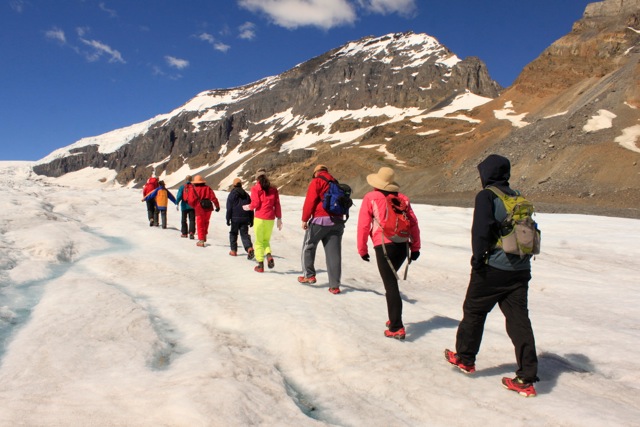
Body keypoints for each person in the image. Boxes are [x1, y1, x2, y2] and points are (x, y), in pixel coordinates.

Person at [444, 154, 539, 397]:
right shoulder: (517, 196)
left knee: (474, 311)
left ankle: (465, 358)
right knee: (519, 321)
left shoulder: (487, 195)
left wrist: (477, 259)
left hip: (493, 269)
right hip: (520, 270)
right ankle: (526, 377)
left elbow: (481, 230)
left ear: (486, 173)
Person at [357, 167, 420, 340]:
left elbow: (364, 225)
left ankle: (396, 326)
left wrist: (362, 249)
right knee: (391, 282)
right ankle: (394, 319)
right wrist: (415, 248)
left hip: (384, 246)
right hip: (403, 246)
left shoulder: (371, 197)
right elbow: (413, 223)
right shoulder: (403, 199)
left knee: (391, 285)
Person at [299, 165, 345, 294]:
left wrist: (305, 219)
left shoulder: (317, 181)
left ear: (316, 173)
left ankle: (309, 275)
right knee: (334, 254)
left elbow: (310, 201)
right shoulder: (335, 182)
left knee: (308, 246)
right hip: (337, 222)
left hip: (320, 220)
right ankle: (334, 286)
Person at [243, 169, 282, 273]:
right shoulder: (273, 189)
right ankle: (268, 255)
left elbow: (255, 204)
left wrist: (248, 207)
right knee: (266, 240)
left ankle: (260, 265)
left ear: (257, 178)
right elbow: (277, 204)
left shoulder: (256, 188)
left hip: (260, 217)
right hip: (270, 219)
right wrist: (279, 218)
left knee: (259, 242)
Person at [184, 175, 220, 247]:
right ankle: (204, 235)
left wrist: (195, 205)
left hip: (199, 208)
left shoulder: (193, 189)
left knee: (200, 223)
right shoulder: (207, 188)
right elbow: (213, 197)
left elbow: (190, 200)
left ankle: (201, 240)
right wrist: (217, 205)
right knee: (206, 222)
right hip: (208, 207)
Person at [226, 178, 254, 259]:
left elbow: (229, 208)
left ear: (234, 185)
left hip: (234, 218)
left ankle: (233, 251)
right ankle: (249, 248)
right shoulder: (246, 195)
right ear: (241, 185)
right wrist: (251, 219)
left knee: (233, 233)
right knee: (244, 234)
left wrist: (228, 219)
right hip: (245, 218)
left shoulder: (232, 195)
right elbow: (250, 207)